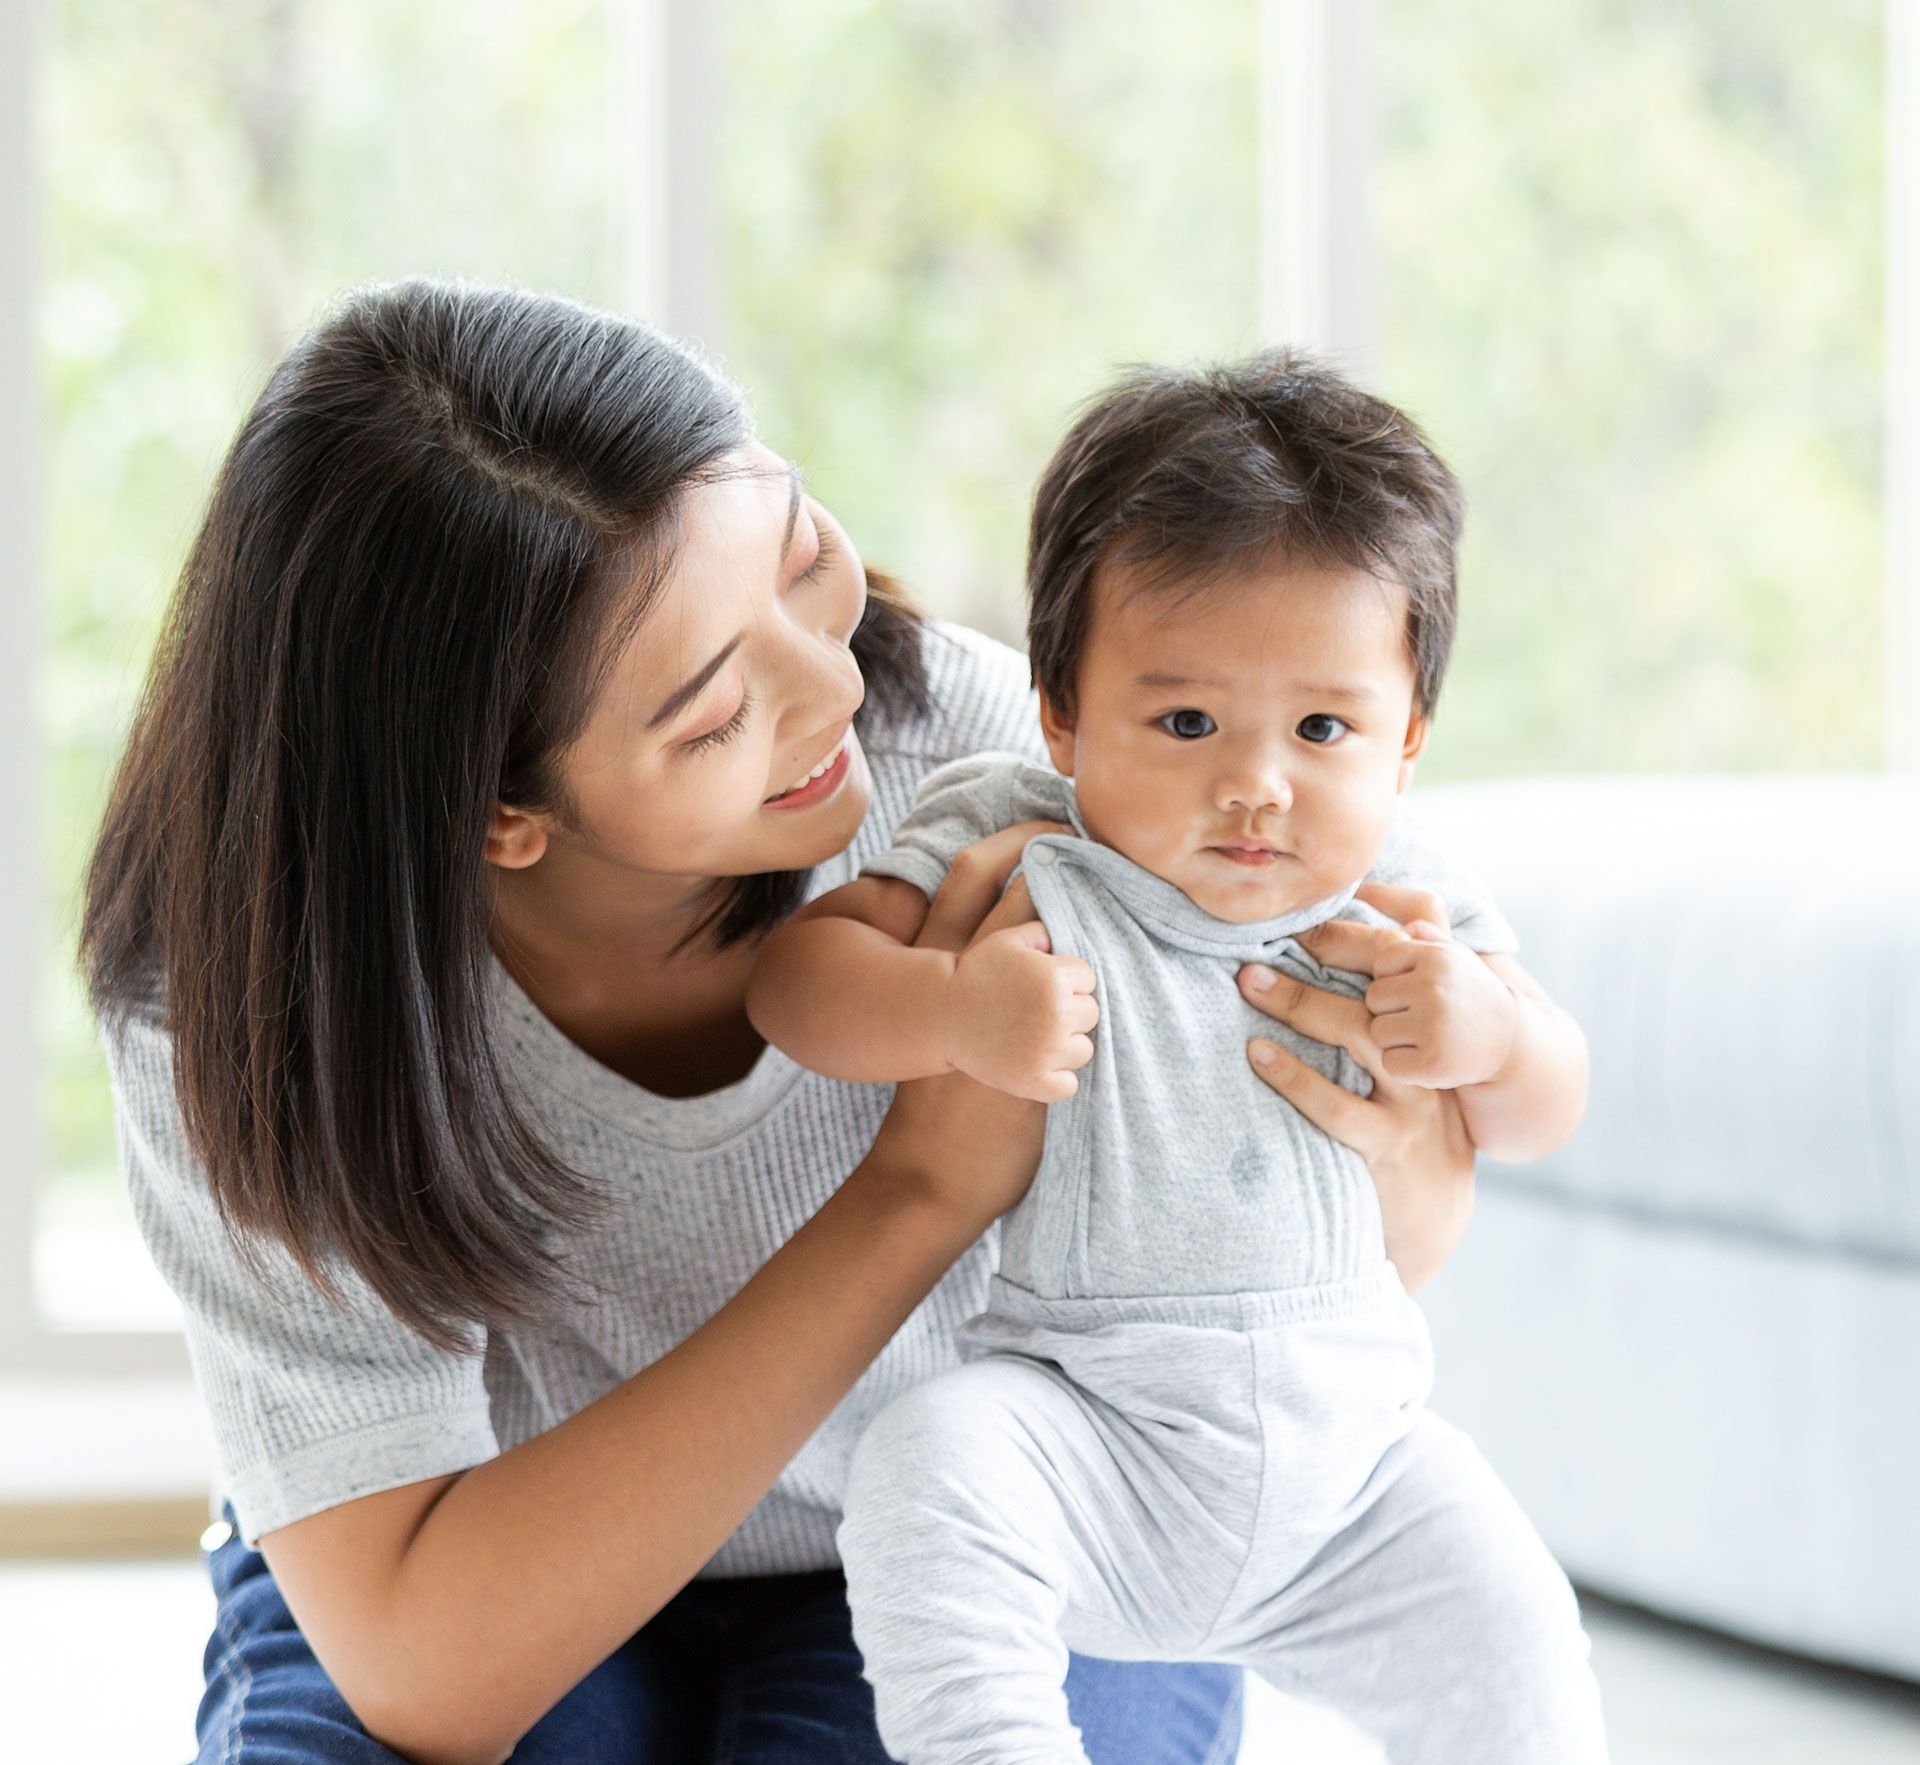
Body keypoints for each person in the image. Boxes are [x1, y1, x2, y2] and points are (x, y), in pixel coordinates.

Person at [85, 282, 1507, 1763]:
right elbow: (428, 1657)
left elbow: (1382, 1210)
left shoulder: (1012, 776)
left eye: (803, 558)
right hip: (486, 1543)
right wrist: (920, 1185)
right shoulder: (250, 997)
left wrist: (1416, 1135)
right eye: (712, 713)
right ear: (501, 815)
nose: (832, 681)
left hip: (1001, 1508)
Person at [749, 354, 1608, 1762]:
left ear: (1409, 743)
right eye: (1189, 721)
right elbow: (797, 983)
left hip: (1358, 1467)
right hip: (1091, 1434)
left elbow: (1544, 1101)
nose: (1256, 781)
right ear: (1062, 714)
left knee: (1516, 1631)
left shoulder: (1401, 892)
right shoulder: (1026, 838)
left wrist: (1492, 1032)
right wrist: (955, 1005)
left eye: (1324, 728)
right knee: (930, 1462)